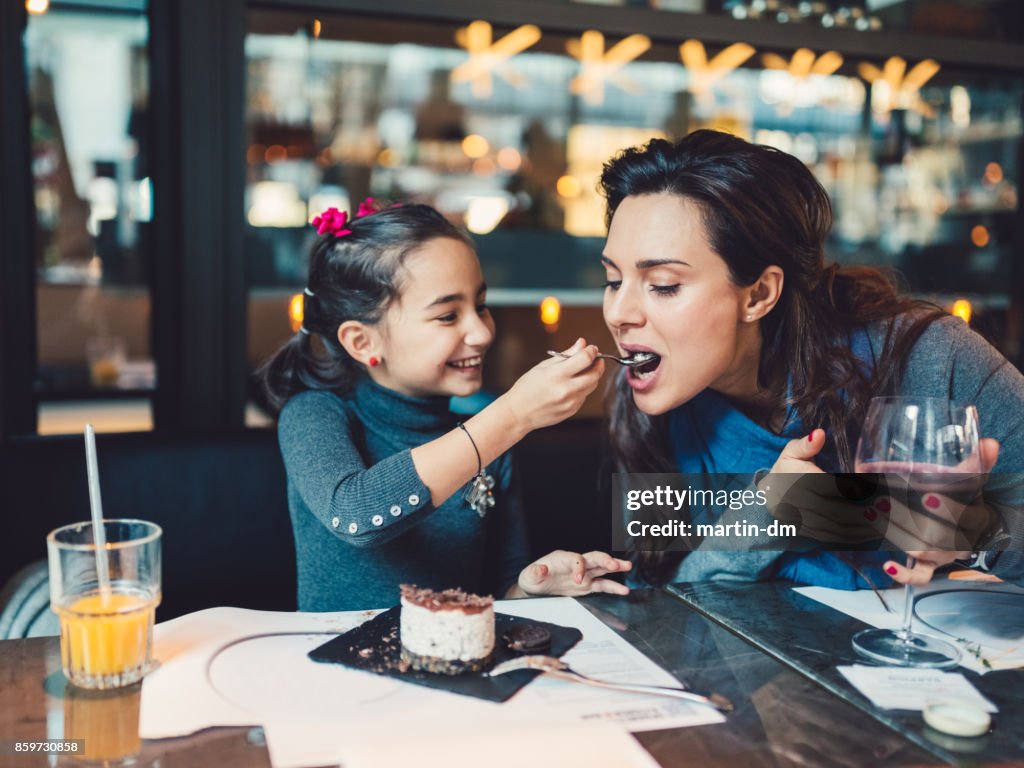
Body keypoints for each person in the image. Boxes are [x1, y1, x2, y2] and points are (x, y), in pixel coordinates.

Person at [598, 130, 1024, 589]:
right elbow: (662, 589)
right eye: (613, 280)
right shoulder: (648, 397)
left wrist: (976, 536)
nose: (619, 313)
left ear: (759, 293)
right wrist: (771, 509)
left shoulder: (930, 357)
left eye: (662, 284)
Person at [260, 200, 630, 611]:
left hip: (455, 667)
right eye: (447, 316)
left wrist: (529, 588)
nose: (482, 332)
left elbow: (496, 595)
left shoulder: (492, 441)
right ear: (363, 342)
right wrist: (513, 414)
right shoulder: (316, 414)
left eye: (481, 306)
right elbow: (356, 515)